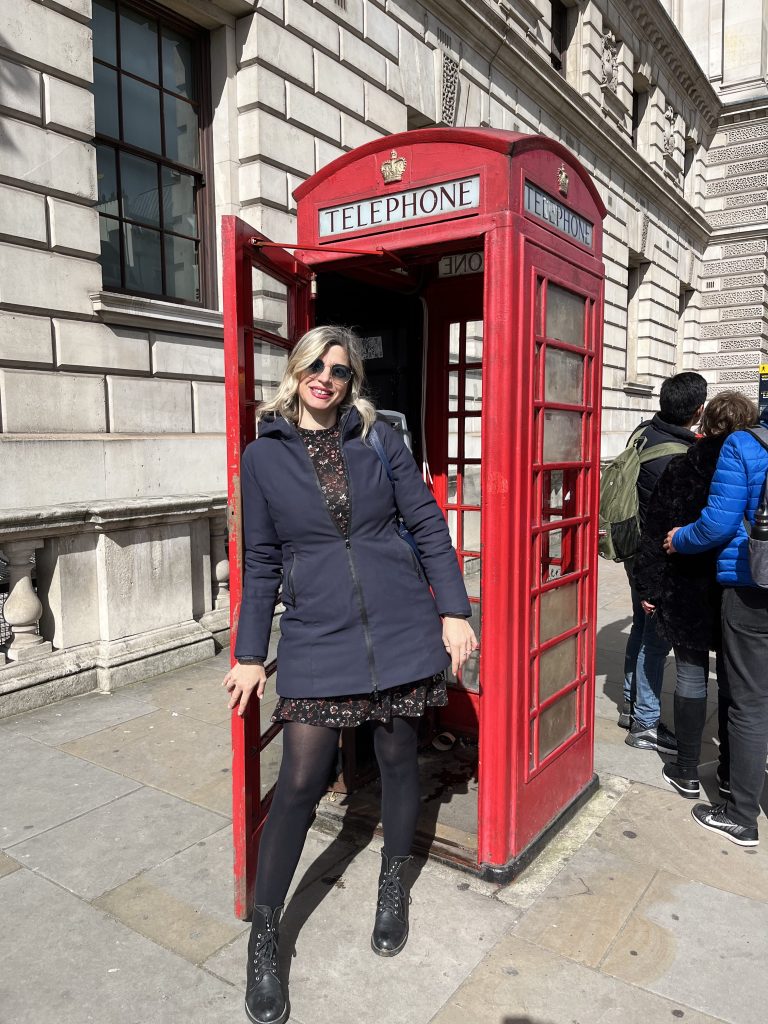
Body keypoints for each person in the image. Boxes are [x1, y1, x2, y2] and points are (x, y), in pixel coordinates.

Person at [222, 325, 477, 1024]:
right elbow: (261, 560)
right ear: (297, 370)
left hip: (398, 622)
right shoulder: (264, 454)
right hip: (318, 632)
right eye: (316, 365)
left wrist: (453, 612)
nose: (326, 377)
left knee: (398, 758)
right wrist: (249, 653)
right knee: (301, 782)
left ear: (350, 380)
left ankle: (393, 883)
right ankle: (266, 937)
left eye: (340, 369)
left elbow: (426, 525)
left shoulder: (379, 439)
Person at [633, 392, 758, 799]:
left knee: (690, 674)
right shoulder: (757, 460)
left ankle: (686, 769)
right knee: (733, 684)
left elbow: (656, 533)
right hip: (741, 586)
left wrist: (649, 587)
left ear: (707, 419)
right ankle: (727, 774)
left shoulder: (685, 465)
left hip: (687, 588)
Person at [665, 399, 768, 847]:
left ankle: (741, 815)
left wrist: (677, 539)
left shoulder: (744, 445)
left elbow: (718, 524)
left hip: (751, 587)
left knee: (748, 702)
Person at [621, 371, 707, 752]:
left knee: (641, 629)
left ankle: (629, 704)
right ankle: (645, 723)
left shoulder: (643, 432)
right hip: (656, 558)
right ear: (698, 410)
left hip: (633, 549)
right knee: (655, 642)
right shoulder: (680, 458)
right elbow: (674, 523)